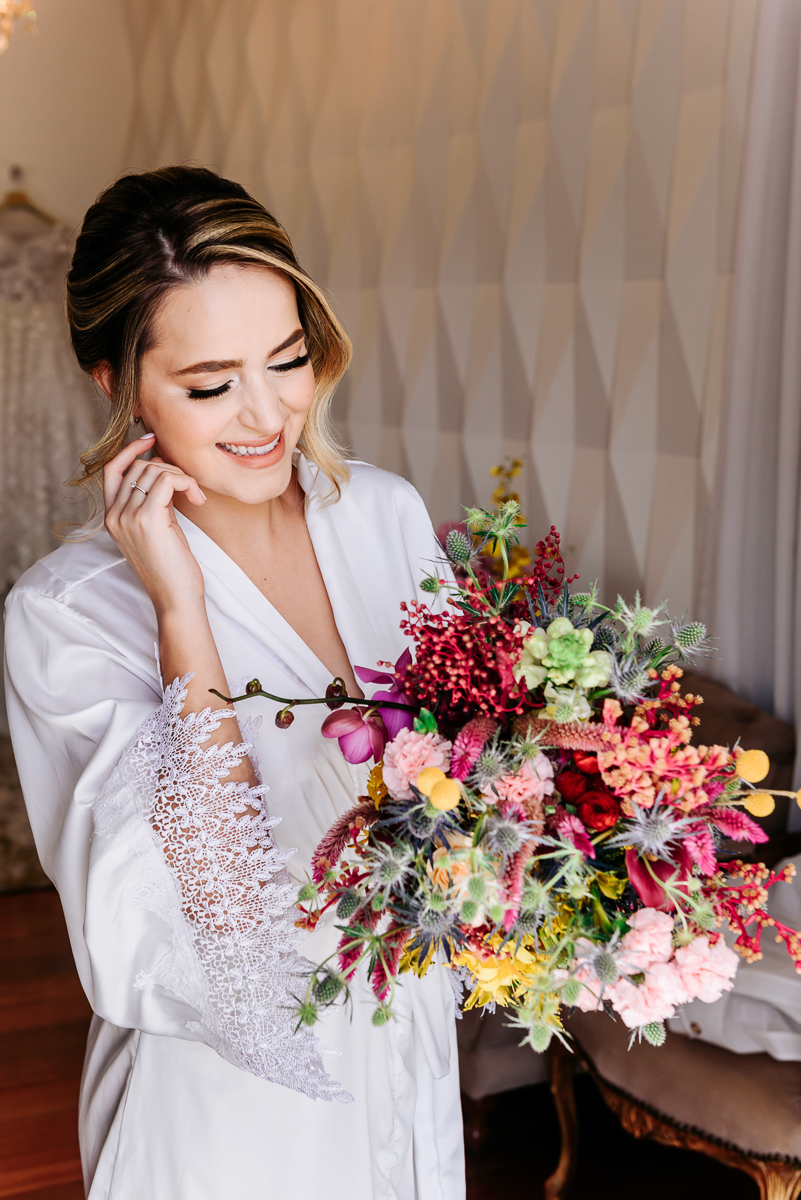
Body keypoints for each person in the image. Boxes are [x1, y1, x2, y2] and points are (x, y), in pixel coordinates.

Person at [4, 166, 465, 1200]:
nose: (266, 414)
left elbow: (469, 776)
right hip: (229, 1104)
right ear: (113, 384)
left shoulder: (382, 515)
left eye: (289, 360)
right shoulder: (65, 616)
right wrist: (180, 611)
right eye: (210, 384)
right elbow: (202, 923)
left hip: (404, 1042)